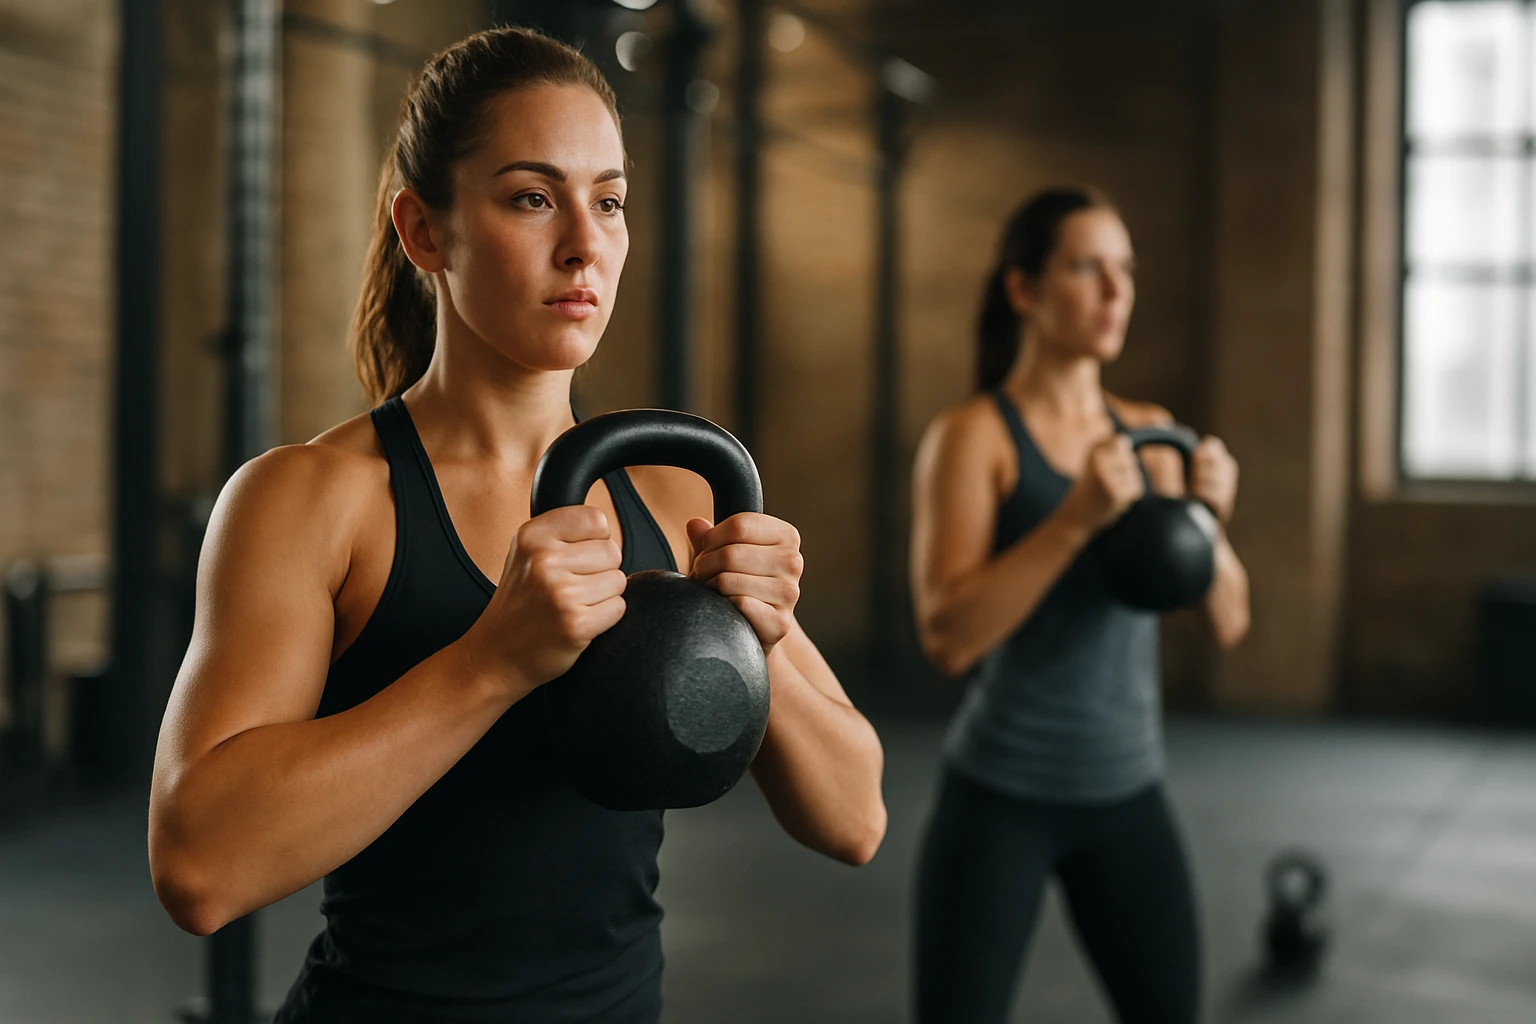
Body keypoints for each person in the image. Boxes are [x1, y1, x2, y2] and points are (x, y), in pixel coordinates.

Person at [147, 27, 886, 1024]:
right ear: (425, 232)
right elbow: (198, 865)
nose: (585, 241)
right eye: (533, 197)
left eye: (610, 200)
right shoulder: (314, 498)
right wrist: (492, 660)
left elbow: (855, 818)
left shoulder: (672, 497)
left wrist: (761, 626)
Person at [908, 187, 1250, 1024]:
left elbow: (1229, 620)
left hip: (1128, 792)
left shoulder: (1151, 432)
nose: (1115, 292)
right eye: (1087, 268)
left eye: (1125, 271)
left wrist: (1209, 521)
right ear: (1024, 289)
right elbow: (948, 637)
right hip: (1001, 798)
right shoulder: (974, 437)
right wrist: (1073, 521)